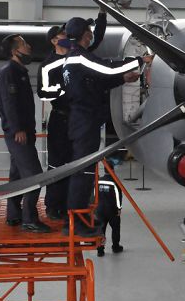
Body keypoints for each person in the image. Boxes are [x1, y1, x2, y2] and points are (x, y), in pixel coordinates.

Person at [61, 15, 152, 238]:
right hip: (85, 122)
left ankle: (76, 219)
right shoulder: (79, 57)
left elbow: (97, 81)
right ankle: (75, 223)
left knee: (84, 171)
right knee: (83, 172)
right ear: (85, 35)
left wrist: (123, 79)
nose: (92, 35)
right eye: (90, 31)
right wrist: (141, 61)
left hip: (83, 120)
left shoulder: (74, 58)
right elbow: (108, 68)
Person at [37, 13, 107, 221]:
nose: (68, 36)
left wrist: (102, 14)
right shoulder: (48, 65)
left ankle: (74, 206)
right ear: (54, 40)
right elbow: (43, 92)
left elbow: (95, 37)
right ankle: (53, 205)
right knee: (57, 164)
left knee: (78, 163)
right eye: (63, 34)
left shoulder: (77, 55)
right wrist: (65, 90)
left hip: (79, 119)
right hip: (60, 119)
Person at [0, 34, 51, 233]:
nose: (29, 47)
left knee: (17, 177)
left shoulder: (20, 71)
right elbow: (9, 104)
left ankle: (13, 214)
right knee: (35, 177)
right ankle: (29, 219)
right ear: (14, 51)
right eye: (24, 44)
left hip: (25, 132)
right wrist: (17, 129)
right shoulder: (8, 72)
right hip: (18, 134)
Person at [95, 165, 124, 256]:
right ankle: (115, 247)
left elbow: (94, 194)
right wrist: (119, 208)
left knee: (101, 229)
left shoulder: (98, 181)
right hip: (112, 210)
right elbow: (118, 197)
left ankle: (100, 249)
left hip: (100, 209)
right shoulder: (115, 182)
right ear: (112, 170)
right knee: (115, 228)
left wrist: (95, 207)